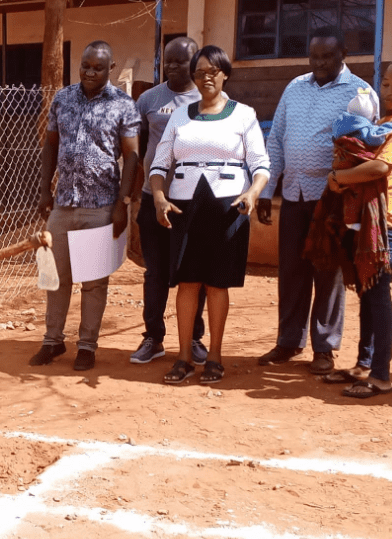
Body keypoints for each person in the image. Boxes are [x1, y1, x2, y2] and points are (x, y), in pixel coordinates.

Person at [257, 26, 379, 375]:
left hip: (333, 199)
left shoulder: (360, 93)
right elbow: (276, 140)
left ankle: (324, 349)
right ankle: (288, 341)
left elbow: (365, 150)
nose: (319, 63)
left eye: (327, 56)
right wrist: (268, 188)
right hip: (293, 193)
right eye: (314, 56)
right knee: (291, 270)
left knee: (328, 272)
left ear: (343, 56)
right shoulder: (295, 87)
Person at [150, 45, 270, 385]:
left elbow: (261, 165)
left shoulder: (243, 114)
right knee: (187, 282)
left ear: (225, 73)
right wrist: (159, 197)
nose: (206, 77)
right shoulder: (179, 115)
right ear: (193, 76)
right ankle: (184, 356)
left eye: (213, 71)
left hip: (228, 206)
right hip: (184, 206)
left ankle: (214, 356)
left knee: (217, 283)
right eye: (200, 71)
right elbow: (160, 164)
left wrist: (252, 192)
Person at [30, 40, 140, 371]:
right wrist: (44, 189)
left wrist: (123, 203)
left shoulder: (124, 105)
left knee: (93, 280)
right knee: (54, 275)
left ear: (111, 68)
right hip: (63, 203)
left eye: (98, 67)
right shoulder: (62, 99)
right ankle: (53, 341)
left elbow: (131, 156)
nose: (90, 72)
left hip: (101, 205)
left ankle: (87, 345)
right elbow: (49, 146)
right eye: (85, 66)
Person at [311, 67, 392, 398]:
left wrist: (339, 179)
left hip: (385, 225)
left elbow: (380, 167)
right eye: (385, 82)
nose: (386, 88)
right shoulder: (378, 126)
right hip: (370, 222)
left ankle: (382, 374)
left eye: (391, 83)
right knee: (368, 292)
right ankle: (364, 363)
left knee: (378, 297)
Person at [129, 36, 208, 366]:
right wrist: (133, 197)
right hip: (153, 199)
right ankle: (153, 337)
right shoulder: (149, 99)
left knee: (194, 273)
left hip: (192, 202)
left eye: (180, 61)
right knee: (155, 272)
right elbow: (138, 149)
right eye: (168, 61)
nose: (172, 66)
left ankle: (193, 338)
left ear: (194, 63)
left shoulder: (208, 99)